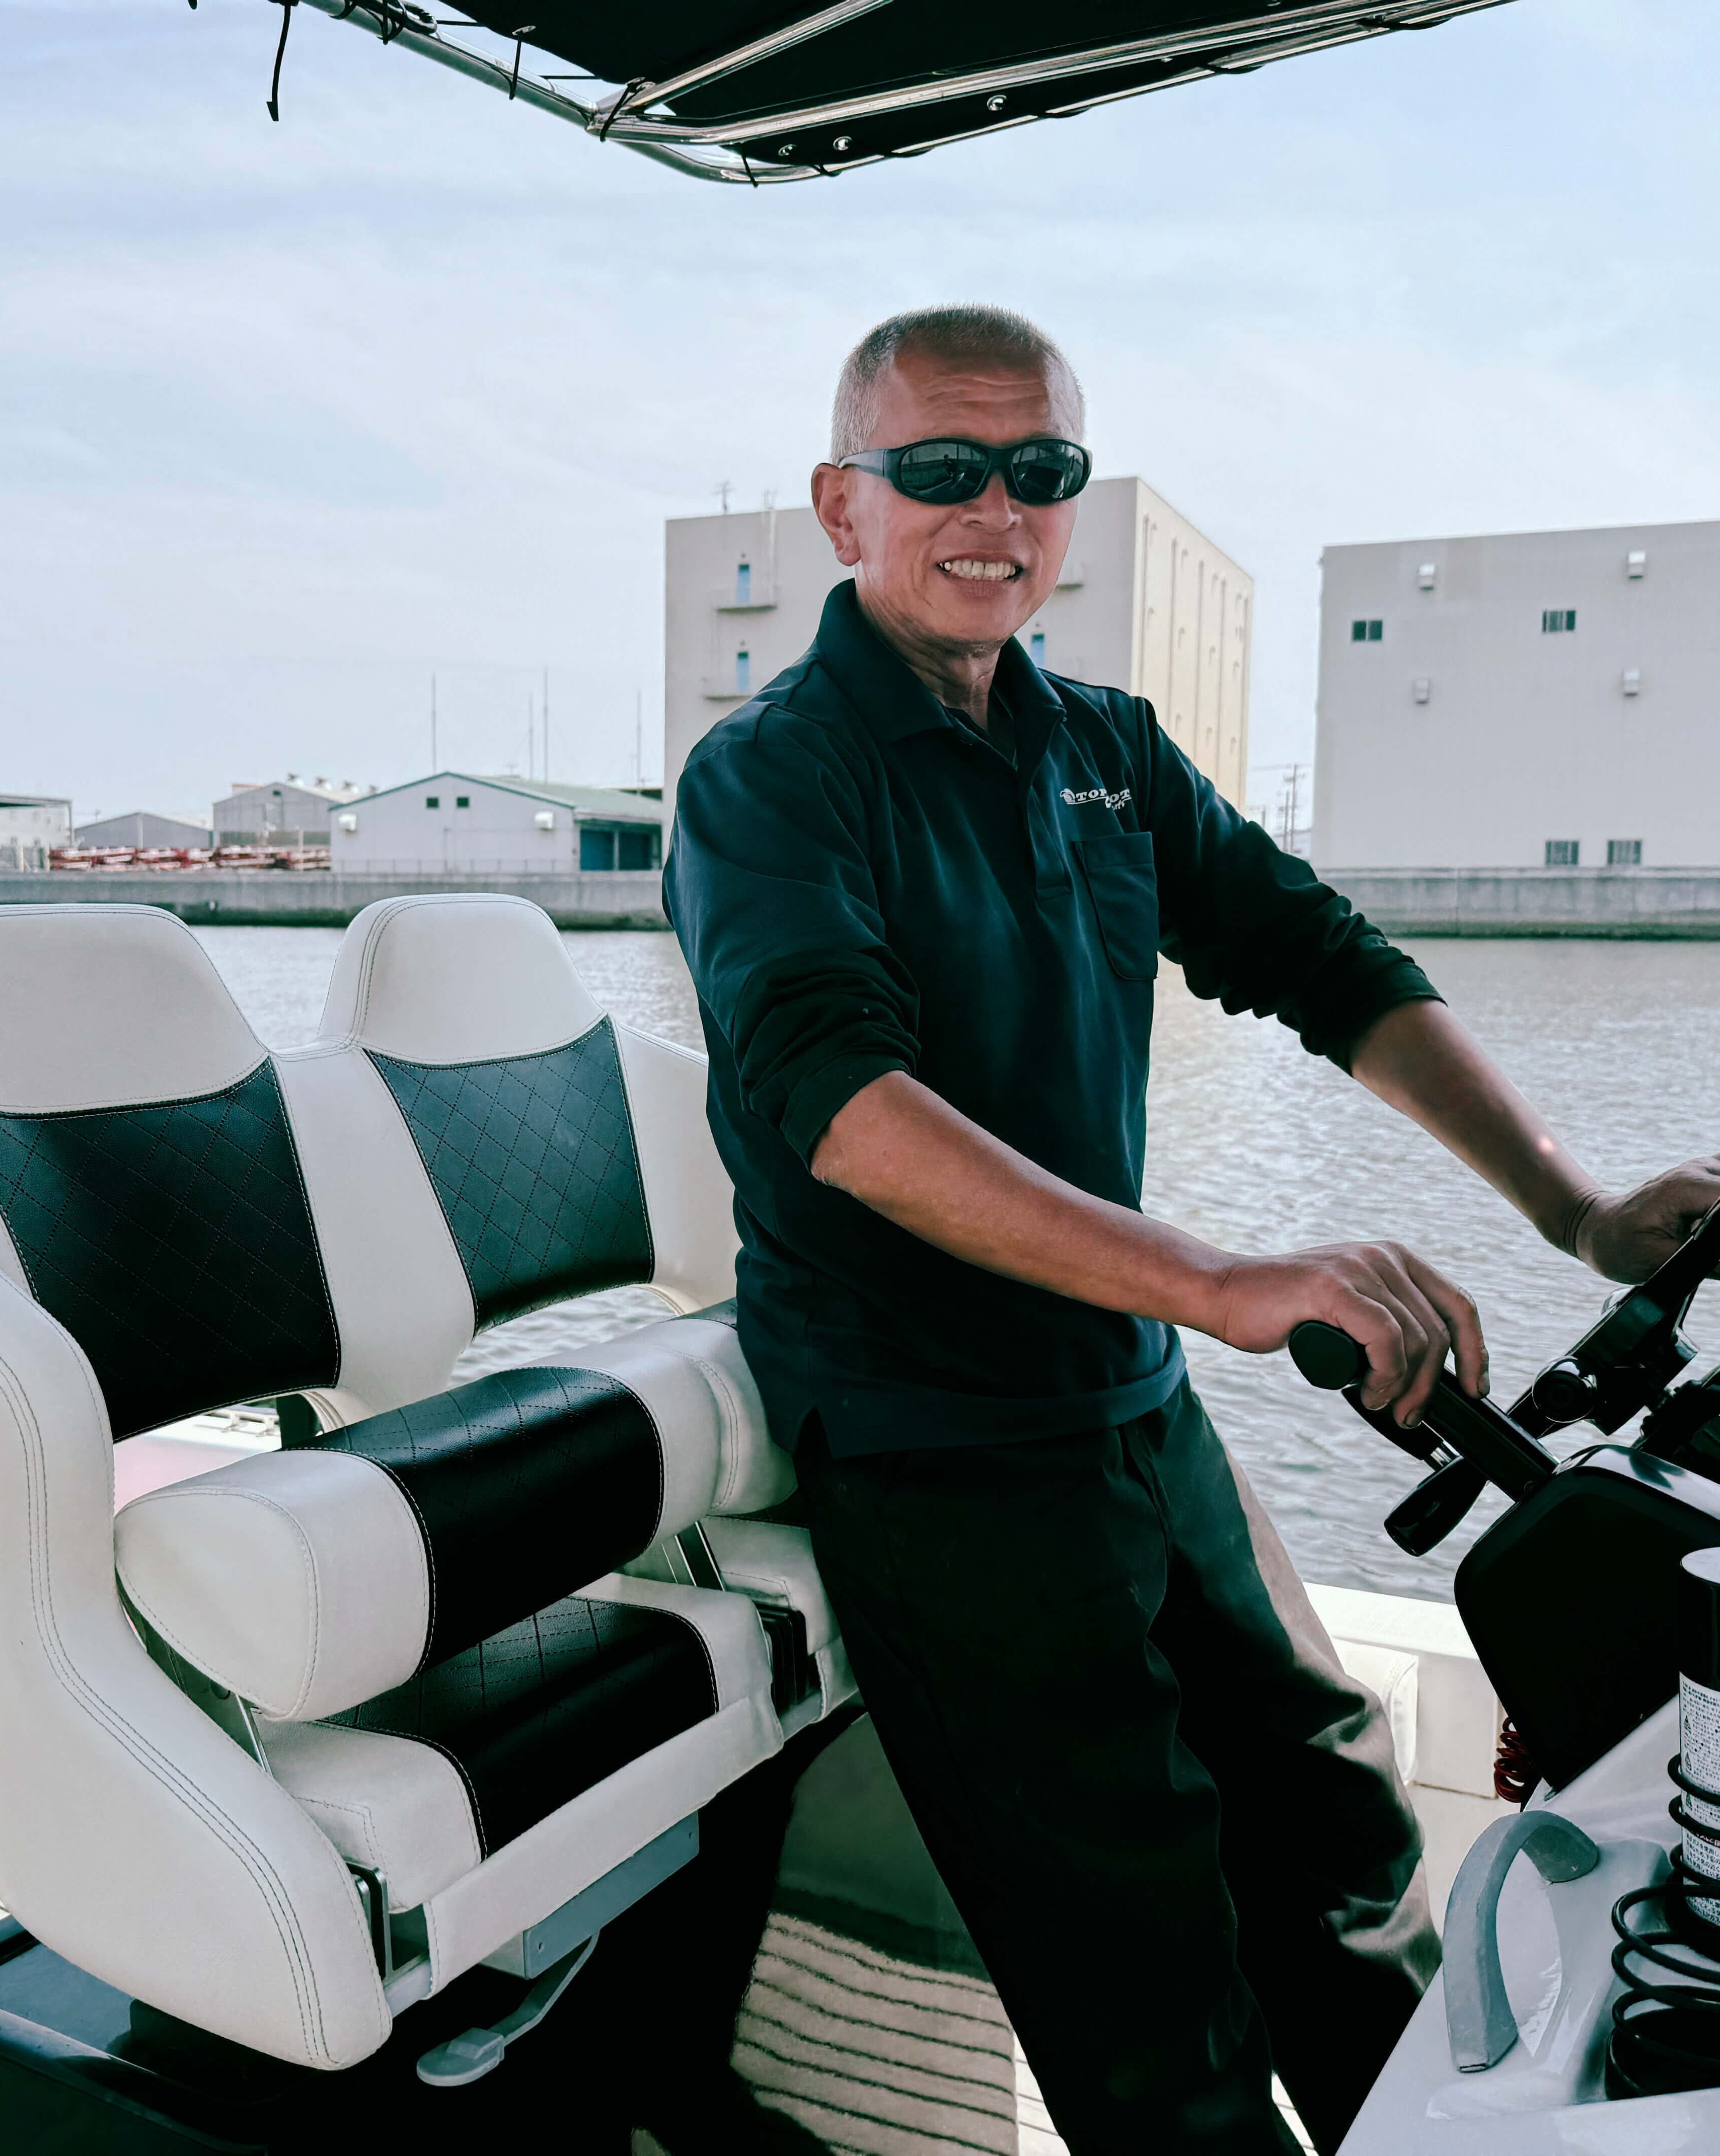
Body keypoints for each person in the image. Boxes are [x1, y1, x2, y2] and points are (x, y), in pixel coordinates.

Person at [664, 303, 1720, 2154]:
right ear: (843, 505)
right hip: (932, 1439)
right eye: (941, 468)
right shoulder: (769, 772)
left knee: (1338, 1828)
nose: (994, 508)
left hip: (1133, 1405)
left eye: (1040, 469)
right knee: (1142, 1971)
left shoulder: (1101, 747)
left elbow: (1323, 961)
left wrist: (1576, 1208)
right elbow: (841, 1108)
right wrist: (1230, 1279)